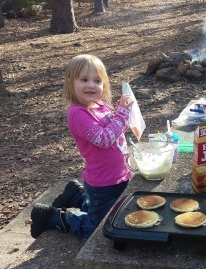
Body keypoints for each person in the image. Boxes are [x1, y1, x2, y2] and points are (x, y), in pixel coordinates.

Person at [30, 54, 134, 240]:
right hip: (103, 183)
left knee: (111, 212)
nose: (91, 85)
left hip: (119, 176)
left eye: (97, 80)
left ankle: (77, 196)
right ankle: (51, 217)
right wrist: (122, 114)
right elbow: (104, 139)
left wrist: (124, 114)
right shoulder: (77, 114)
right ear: (71, 83)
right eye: (84, 80)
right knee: (97, 228)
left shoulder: (100, 105)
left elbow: (117, 129)